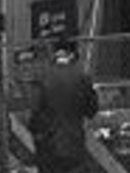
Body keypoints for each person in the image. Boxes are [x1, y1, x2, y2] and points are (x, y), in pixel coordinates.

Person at [27, 38, 98, 173]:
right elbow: (92, 110)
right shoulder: (82, 78)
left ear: (55, 52)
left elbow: (35, 111)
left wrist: (36, 131)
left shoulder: (42, 77)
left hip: (48, 145)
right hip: (74, 144)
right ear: (72, 54)